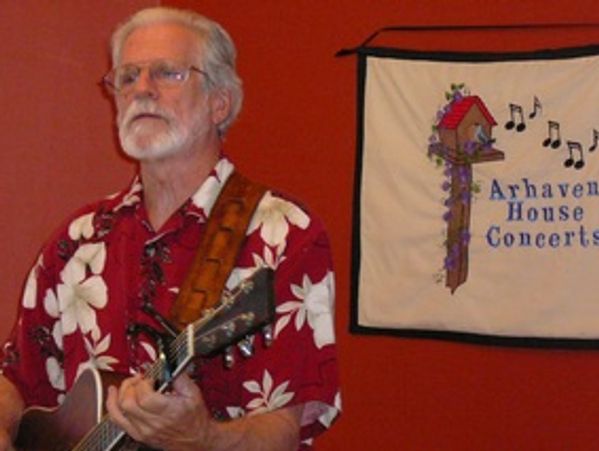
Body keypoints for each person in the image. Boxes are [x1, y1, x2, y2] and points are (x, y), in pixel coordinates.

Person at [0, 7, 340, 450]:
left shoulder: (285, 234)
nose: (142, 90)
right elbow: (16, 379)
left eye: (166, 73)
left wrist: (205, 438)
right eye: (127, 77)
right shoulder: (78, 239)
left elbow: (286, 428)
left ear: (220, 102)